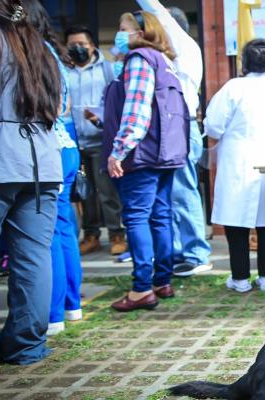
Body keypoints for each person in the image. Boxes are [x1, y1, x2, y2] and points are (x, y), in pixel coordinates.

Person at [104, 10, 189, 312]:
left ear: (141, 32)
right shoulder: (167, 62)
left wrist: (119, 150)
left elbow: (137, 110)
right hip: (166, 153)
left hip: (142, 154)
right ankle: (161, 280)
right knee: (160, 216)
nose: (120, 34)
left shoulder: (139, 59)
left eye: (123, 28)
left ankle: (141, 288)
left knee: (137, 217)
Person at [204, 39, 265, 293]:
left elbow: (214, 125)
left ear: (244, 62)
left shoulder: (233, 88)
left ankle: (239, 279)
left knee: (235, 222)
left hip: (239, 161)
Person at [0, 0, 63, 369]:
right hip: (42, 162)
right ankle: (26, 347)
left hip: (1, 160)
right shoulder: (43, 50)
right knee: (34, 258)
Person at [136, 0, 212, 277]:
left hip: (181, 126)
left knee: (182, 190)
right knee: (171, 192)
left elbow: (158, 13)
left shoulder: (183, 45)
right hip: (174, 127)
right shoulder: (171, 53)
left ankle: (195, 252)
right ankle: (180, 251)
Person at [24, 0, 84, 337]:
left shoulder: (32, 53)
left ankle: (52, 314)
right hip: (67, 146)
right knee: (62, 230)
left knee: (44, 235)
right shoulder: (54, 53)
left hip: (48, 149)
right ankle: (70, 306)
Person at [65, 25, 127, 256]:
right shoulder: (66, 71)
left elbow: (116, 100)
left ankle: (116, 234)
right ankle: (90, 235)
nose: (78, 48)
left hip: (101, 140)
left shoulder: (108, 69)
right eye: (73, 45)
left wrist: (98, 117)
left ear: (92, 46)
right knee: (83, 192)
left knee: (107, 191)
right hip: (74, 141)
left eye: (82, 44)